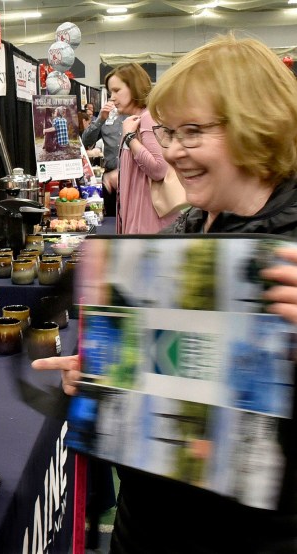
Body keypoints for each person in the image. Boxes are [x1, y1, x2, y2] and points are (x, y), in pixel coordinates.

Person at [34, 34, 297, 552]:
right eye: (169, 132)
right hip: (146, 524)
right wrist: (103, 375)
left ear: (257, 125)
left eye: (193, 132)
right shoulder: (185, 231)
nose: (173, 151)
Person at [107, 63, 179, 233]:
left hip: (148, 223)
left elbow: (159, 168)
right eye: (111, 92)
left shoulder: (147, 118)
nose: (112, 97)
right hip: (139, 219)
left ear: (134, 87)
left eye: (117, 90)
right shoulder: (136, 120)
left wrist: (130, 138)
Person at [82, 100, 126, 217]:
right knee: (111, 221)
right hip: (109, 179)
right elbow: (86, 141)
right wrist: (100, 118)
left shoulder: (137, 115)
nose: (115, 97)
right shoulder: (107, 117)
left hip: (132, 177)